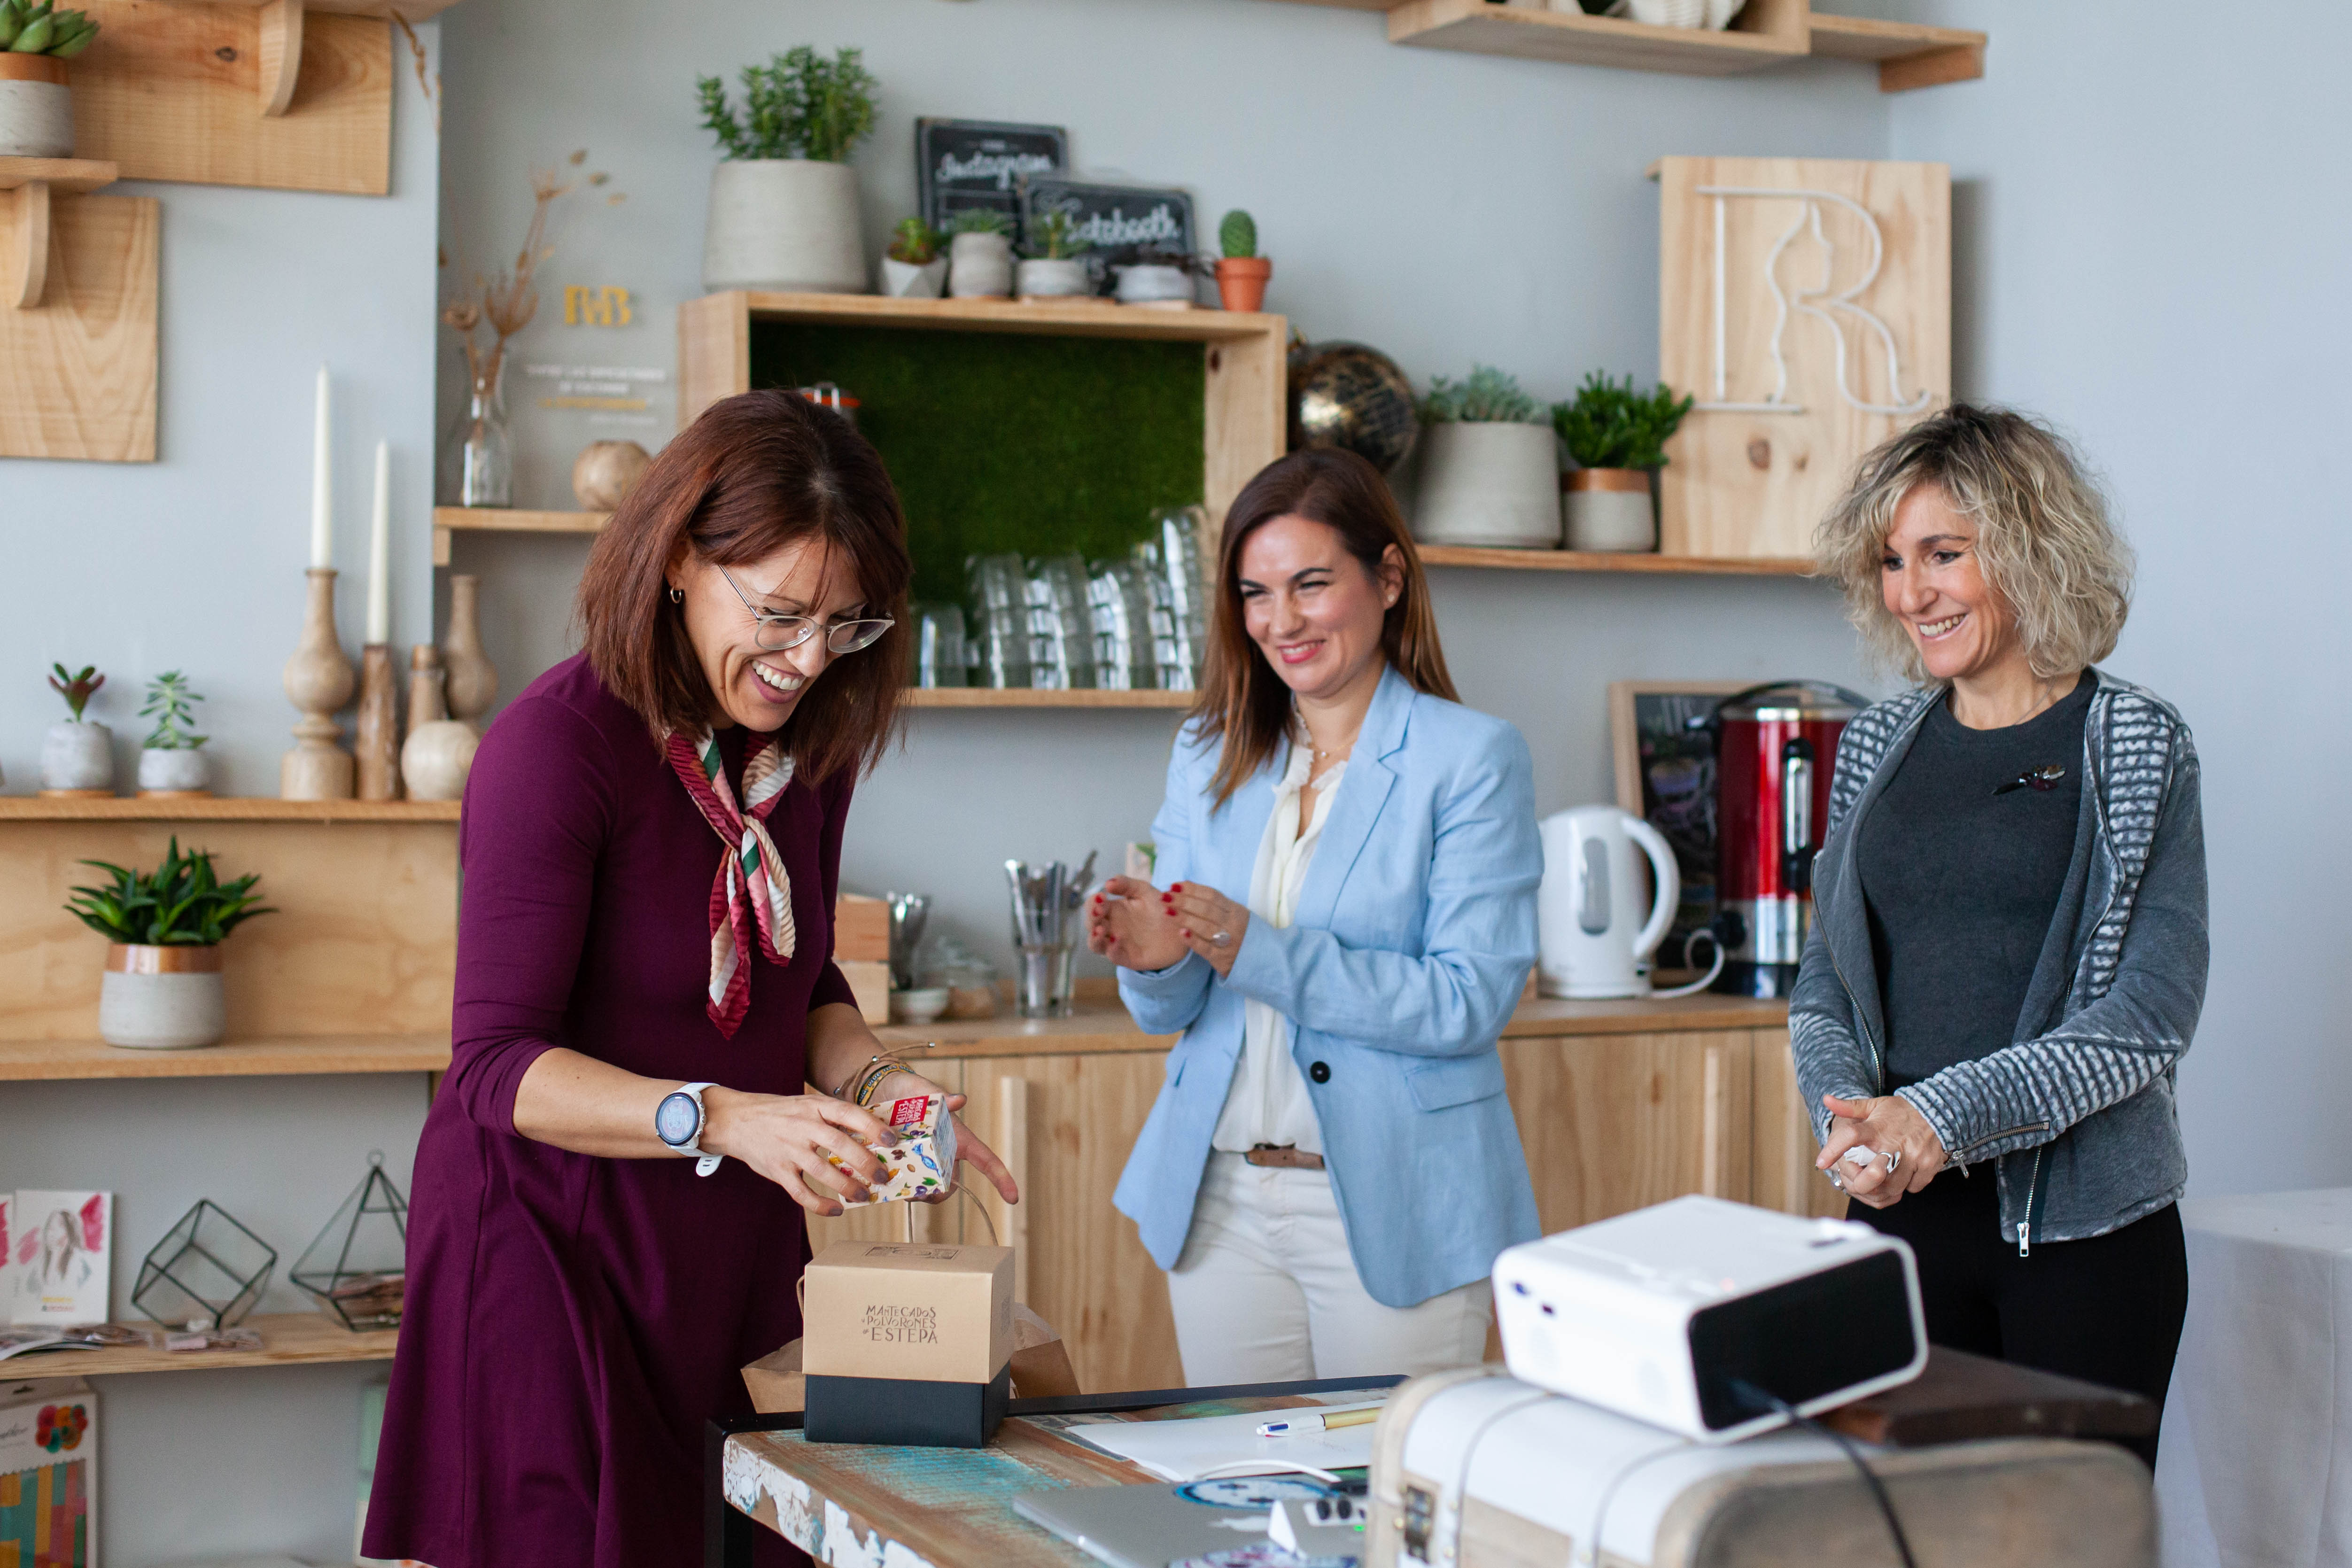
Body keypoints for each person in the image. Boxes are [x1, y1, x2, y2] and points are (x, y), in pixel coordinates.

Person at [365, 390, 1018, 1568]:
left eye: (846, 625)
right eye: (777, 615)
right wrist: (726, 1116)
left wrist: (880, 1082)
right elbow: (494, 1071)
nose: (809, 659)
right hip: (552, 1255)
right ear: (677, 560)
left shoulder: (802, 756)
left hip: (727, 1252)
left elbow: (800, 974)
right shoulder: (555, 749)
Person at [1793, 404, 2205, 1460]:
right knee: (1904, 1535)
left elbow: (2148, 1015)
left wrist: (1938, 1117)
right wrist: (1846, 1122)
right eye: (1891, 560)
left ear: (2027, 545)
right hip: (1895, 1223)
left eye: (1943, 554)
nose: (1909, 591)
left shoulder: (2132, 742)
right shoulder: (1877, 742)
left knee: (2064, 1540)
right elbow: (1824, 981)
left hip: (2085, 1244)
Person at [1088, 448, 1541, 1385]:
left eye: (1309, 584)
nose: (1279, 621)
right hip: (1217, 1201)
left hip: (1391, 1201)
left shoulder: (1470, 758)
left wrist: (1258, 950)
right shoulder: (1206, 750)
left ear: (1385, 579)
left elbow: (1466, 1001)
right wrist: (1152, 959)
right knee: (1235, 1502)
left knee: (1379, 1511)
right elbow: (1169, 1011)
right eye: (1255, 592)